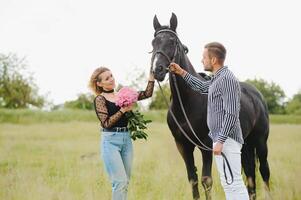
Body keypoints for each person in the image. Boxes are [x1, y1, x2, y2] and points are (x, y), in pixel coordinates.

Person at [169, 42, 249, 199]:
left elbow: (232, 113)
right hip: (222, 140)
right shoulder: (217, 78)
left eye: (204, 57)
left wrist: (220, 140)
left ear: (213, 60)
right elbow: (201, 86)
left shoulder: (227, 79)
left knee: (235, 183)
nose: (201, 60)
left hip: (227, 140)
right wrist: (181, 72)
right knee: (228, 183)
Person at [89, 67, 154, 200]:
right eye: (107, 78)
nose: (111, 79)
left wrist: (151, 78)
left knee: (125, 182)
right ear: (99, 84)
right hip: (110, 141)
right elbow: (106, 123)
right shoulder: (100, 100)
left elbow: (147, 94)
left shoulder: (123, 94)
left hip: (126, 139)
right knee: (120, 182)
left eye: (111, 75)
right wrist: (123, 110)